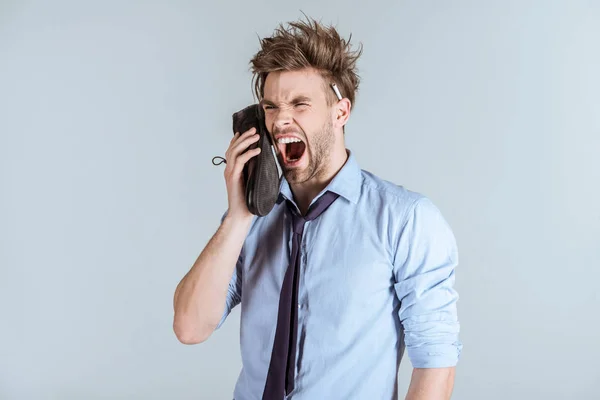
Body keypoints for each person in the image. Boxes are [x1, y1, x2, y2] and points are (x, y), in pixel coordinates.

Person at [173, 16, 462, 400]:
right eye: (271, 106)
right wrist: (239, 216)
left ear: (340, 112)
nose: (280, 120)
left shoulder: (405, 219)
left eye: (299, 104)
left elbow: (435, 364)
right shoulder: (250, 223)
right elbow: (190, 327)